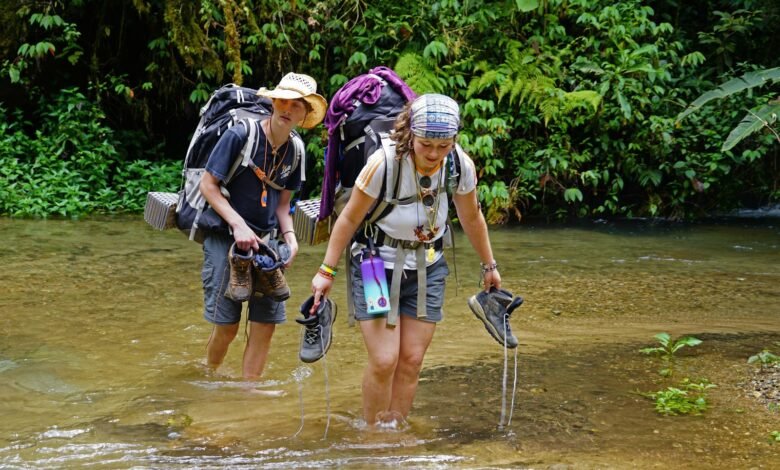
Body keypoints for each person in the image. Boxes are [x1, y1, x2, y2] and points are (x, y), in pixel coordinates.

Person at [309, 93, 501, 426]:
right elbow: (349, 219)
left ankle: (393, 432)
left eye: (443, 146)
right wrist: (326, 271)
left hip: (429, 268)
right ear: (409, 133)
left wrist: (490, 266)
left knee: (411, 361)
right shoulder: (384, 163)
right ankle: (372, 436)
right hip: (374, 267)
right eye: (426, 144)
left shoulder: (459, 165)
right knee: (384, 360)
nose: (434, 154)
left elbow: (472, 218)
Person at [200, 72, 327, 379]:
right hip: (224, 237)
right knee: (227, 327)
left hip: (267, 245)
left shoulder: (295, 151)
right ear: (272, 102)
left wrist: (291, 238)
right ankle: (208, 376)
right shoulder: (241, 135)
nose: (287, 108)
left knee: (264, 327)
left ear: (305, 114)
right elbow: (208, 186)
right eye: (282, 100)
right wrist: (238, 225)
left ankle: (248, 393)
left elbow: (283, 206)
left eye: (297, 105)